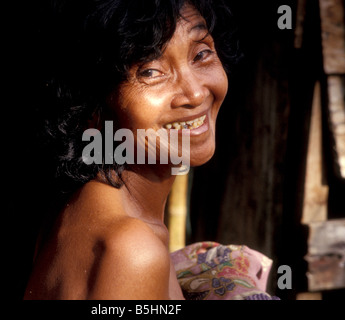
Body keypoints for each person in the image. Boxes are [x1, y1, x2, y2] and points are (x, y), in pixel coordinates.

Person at [22, 0, 242, 300]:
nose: (195, 93)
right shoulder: (133, 252)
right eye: (151, 72)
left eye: (201, 54)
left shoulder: (77, 204)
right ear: (91, 105)